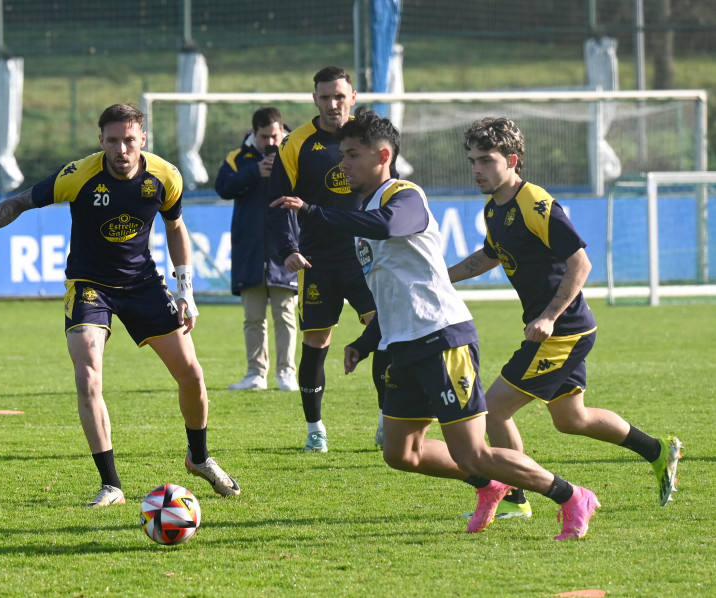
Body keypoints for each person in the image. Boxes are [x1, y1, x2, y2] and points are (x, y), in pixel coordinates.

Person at [273, 107, 600, 539]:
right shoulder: (365, 209)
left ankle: (572, 496)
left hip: (443, 339)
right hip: (403, 344)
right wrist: (367, 340)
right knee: (400, 453)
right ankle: (490, 487)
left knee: (474, 452)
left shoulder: (404, 196)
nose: (343, 164)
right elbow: (392, 289)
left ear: (382, 155)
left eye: (352, 154)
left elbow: (390, 226)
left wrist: (314, 213)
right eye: (342, 155)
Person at [0, 104, 241, 506]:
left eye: (129, 140)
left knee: (192, 375)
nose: (121, 149)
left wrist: (186, 291)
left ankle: (198, 458)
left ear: (142, 140)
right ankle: (111, 484)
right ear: (101, 141)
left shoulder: (165, 176)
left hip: (143, 283)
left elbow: (175, 226)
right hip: (90, 285)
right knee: (88, 376)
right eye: (112, 140)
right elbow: (21, 201)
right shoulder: (78, 175)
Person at [448, 117, 681, 518]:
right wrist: (440, 278)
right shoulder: (493, 208)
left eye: (486, 160)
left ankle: (516, 498)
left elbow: (581, 263)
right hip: (562, 330)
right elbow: (487, 257)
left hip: (562, 331)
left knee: (494, 408)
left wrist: (550, 317)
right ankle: (657, 451)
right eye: (473, 160)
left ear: (513, 160)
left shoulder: (535, 202)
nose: (477, 169)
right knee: (572, 419)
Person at [267, 66, 391, 452]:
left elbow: (392, 194)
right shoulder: (296, 143)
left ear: (352, 97)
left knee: (385, 336)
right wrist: (288, 249)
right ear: (314, 99)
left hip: (367, 260)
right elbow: (276, 205)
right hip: (316, 261)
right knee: (316, 344)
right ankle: (314, 429)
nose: (333, 104)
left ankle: (387, 421)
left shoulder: (371, 137)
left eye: (340, 96)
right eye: (325, 97)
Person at [215, 107, 299, 392]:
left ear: (282, 131)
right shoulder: (238, 159)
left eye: (275, 135)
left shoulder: (295, 151)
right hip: (249, 250)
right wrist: (254, 172)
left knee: (285, 314)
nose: (270, 142)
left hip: (284, 249)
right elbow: (222, 187)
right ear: (254, 134)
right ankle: (255, 374)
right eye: (264, 136)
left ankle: (287, 373)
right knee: (253, 318)